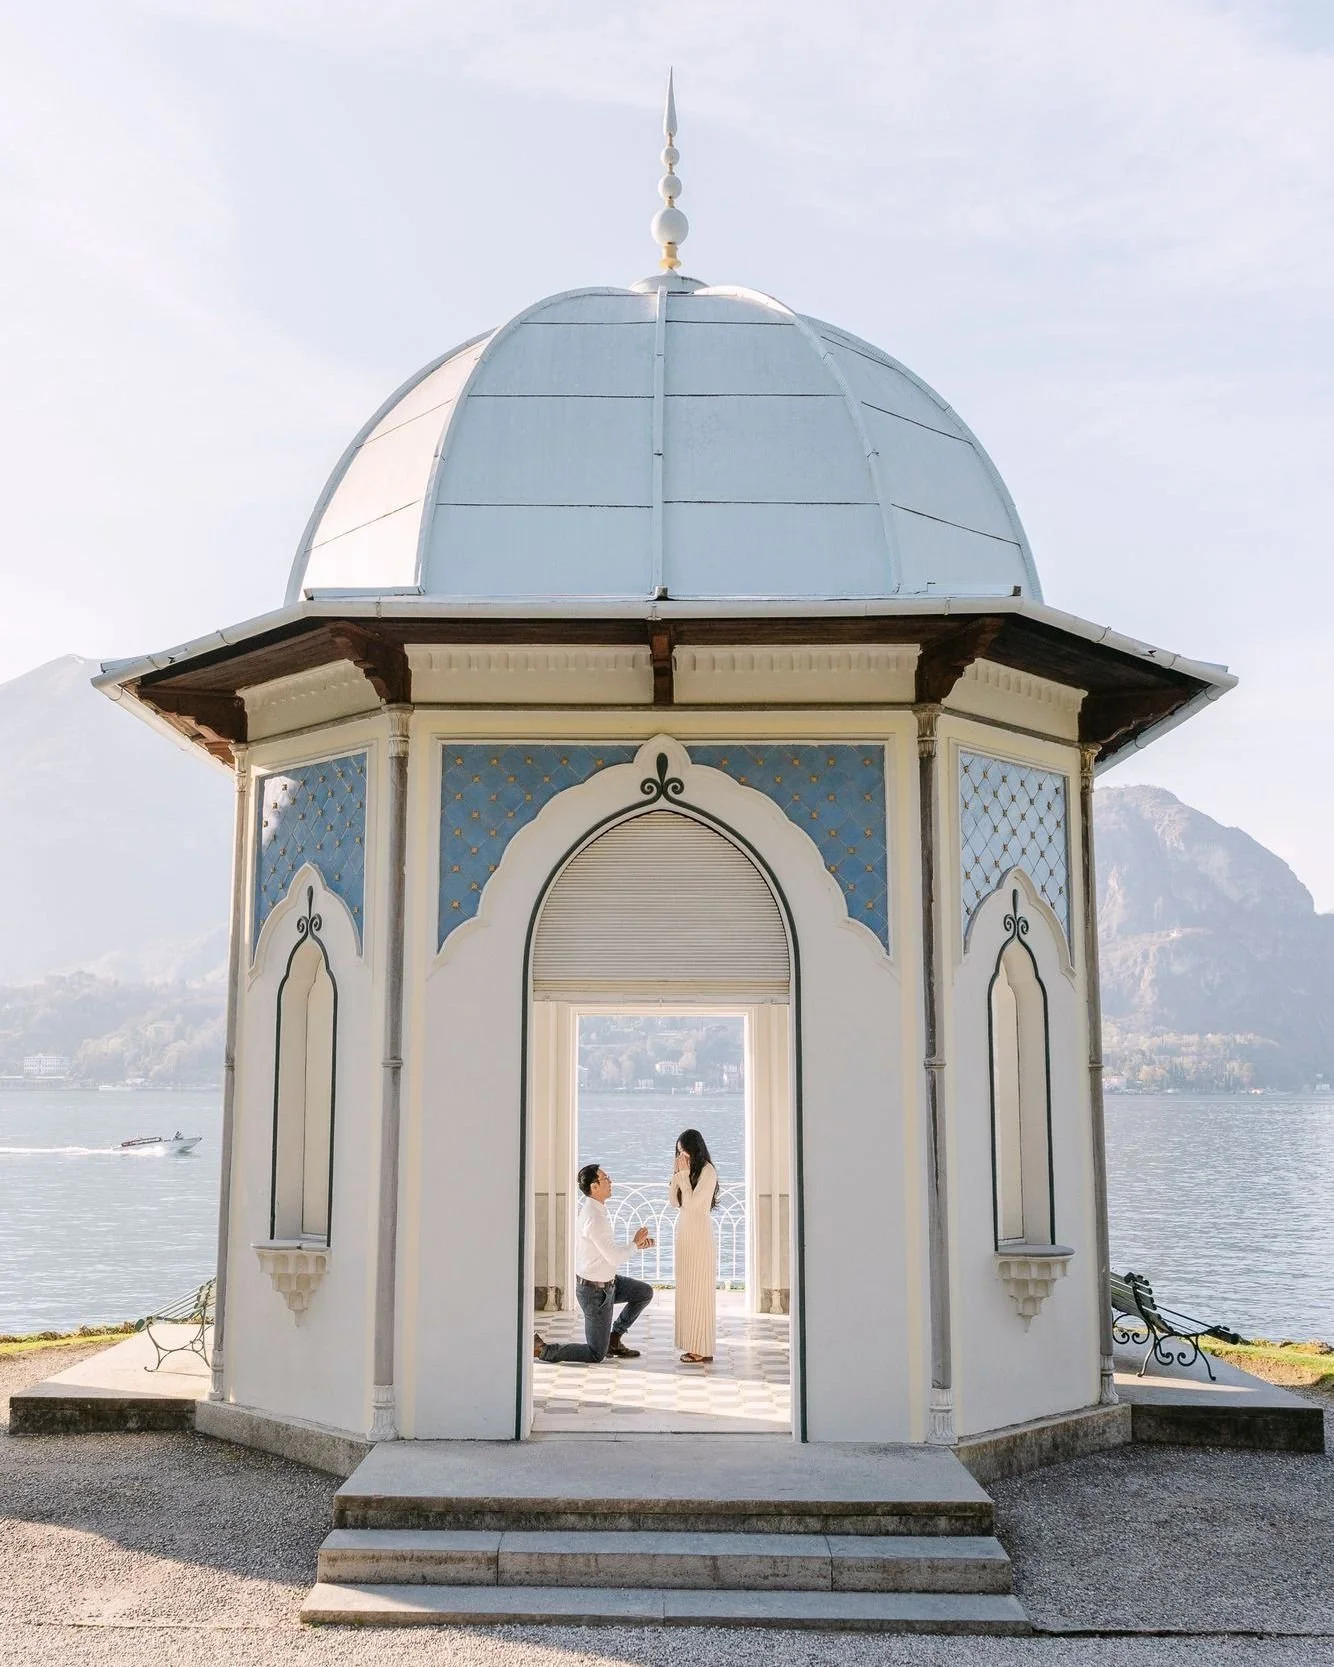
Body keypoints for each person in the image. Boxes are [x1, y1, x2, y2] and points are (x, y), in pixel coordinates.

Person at [534, 1163, 655, 1364]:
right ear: (594, 1186)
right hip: (595, 1294)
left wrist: (636, 1246)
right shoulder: (594, 1218)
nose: (610, 1181)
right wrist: (634, 1243)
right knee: (595, 1354)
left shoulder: (597, 1211)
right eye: (605, 1178)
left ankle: (614, 1339)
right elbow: (615, 1258)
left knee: (643, 1292)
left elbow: (608, 1253)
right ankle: (543, 1350)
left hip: (610, 1284)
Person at [668, 1128, 718, 1364]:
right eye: (679, 1153)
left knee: (700, 1290)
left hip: (699, 1235)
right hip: (684, 1233)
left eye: (685, 1152)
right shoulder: (686, 1172)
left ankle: (702, 1346)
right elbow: (673, 1202)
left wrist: (684, 1178)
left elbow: (694, 1205)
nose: (682, 1157)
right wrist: (677, 1177)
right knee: (687, 1288)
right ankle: (691, 1342)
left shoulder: (708, 1172)